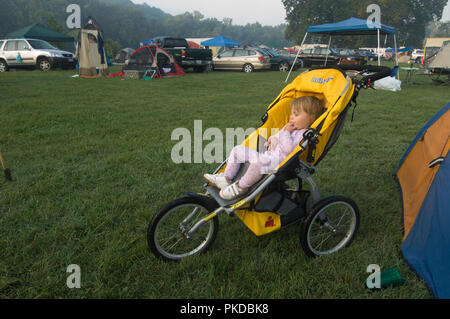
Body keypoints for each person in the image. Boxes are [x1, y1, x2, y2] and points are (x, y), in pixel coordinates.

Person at [204, 96, 326, 200]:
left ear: (311, 118)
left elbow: (289, 149)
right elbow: (277, 136)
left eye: (296, 114)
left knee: (258, 163)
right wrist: (272, 139)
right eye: (292, 113)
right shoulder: (289, 128)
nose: (292, 117)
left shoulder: (303, 134)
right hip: (267, 156)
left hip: (277, 164)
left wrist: (286, 133)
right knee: (237, 150)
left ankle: (241, 187)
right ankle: (227, 178)